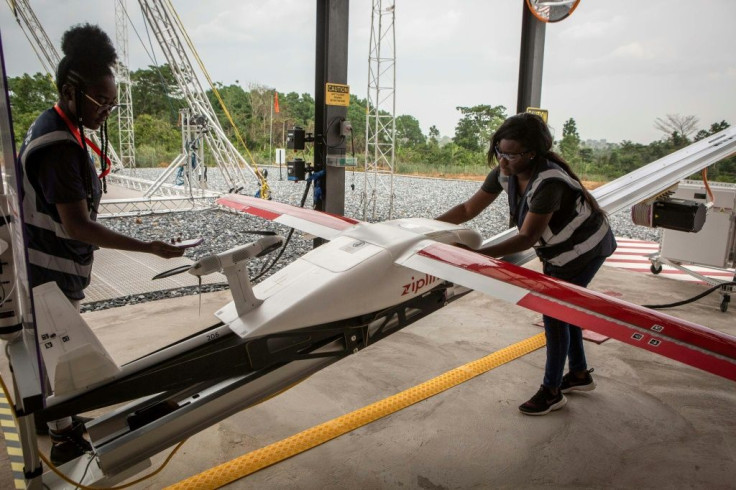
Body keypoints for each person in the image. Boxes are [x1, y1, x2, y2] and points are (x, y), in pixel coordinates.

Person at [17, 24, 184, 465]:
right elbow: (78, 226)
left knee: (51, 350)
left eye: (112, 101)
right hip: (46, 272)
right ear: (72, 90)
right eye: (101, 99)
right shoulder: (58, 145)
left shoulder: (61, 129)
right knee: (65, 354)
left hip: (49, 269)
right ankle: (62, 435)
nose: (107, 109)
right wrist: (149, 247)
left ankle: (49, 416)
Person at [437, 113, 616, 416]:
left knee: (555, 314)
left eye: (511, 154)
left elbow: (526, 238)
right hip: (559, 252)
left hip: (585, 250)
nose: (503, 161)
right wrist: (421, 226)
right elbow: (468, 208)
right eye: (499, 151)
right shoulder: (504, 172)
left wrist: (478, 255)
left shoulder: (548, 183)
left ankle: (552, 391)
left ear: (532, 153)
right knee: (565, 310)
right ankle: (580, 375)